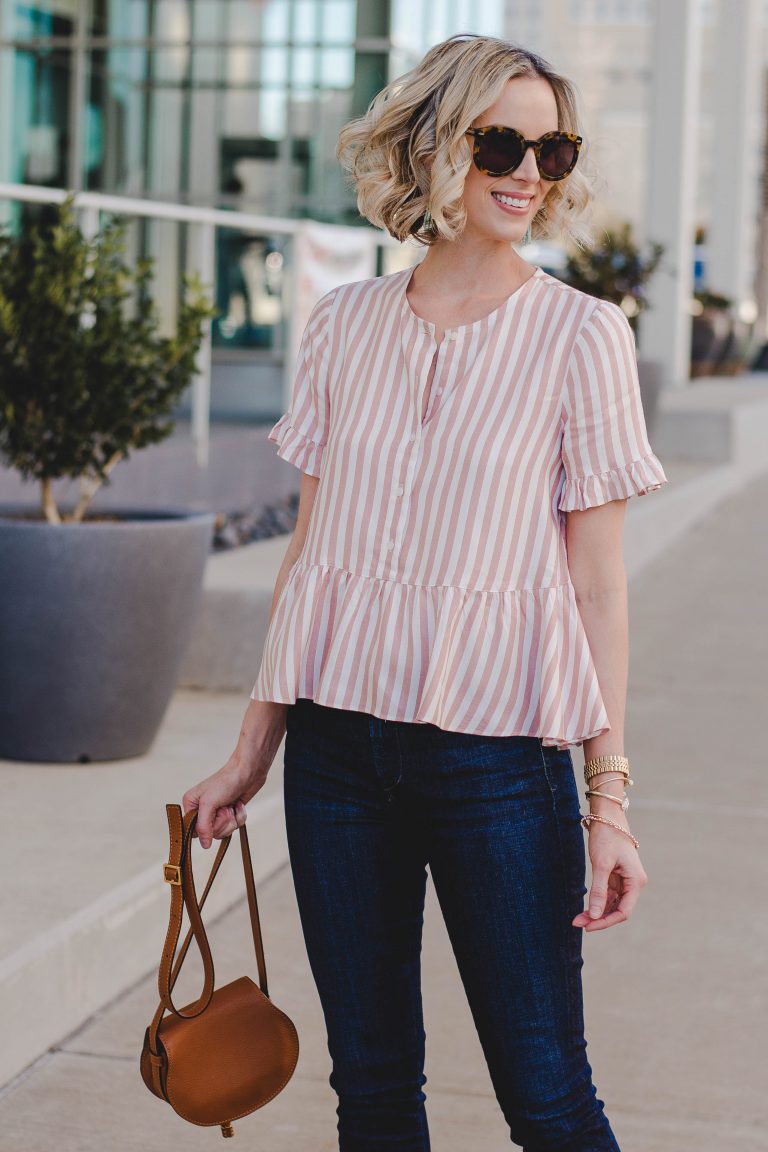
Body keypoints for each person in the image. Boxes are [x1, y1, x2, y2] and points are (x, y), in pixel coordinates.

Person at [183, 33, 669, 1152]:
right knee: (374, 1095)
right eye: (500, 139)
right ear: (435, 147)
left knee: (546, 1097)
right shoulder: (343, 327)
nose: (528, 169)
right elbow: (312, 558)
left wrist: (609, 801)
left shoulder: (581, 337)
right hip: (337, 757)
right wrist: (253, 752)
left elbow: (598, 589)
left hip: (499, 763)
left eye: (553, 146)